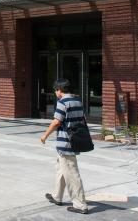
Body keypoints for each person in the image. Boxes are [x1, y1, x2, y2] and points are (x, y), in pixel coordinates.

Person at [40, 78, 88, 215]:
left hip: (66, 143)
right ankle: (57, 196)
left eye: (55, 90)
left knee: (72, 174)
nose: (55, 92)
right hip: (73, 141)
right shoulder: (77, 101)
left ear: (59, 90)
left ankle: (80, 205)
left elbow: (56, 122)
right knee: (61, 169)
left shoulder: (62, 102)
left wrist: (45, 136)